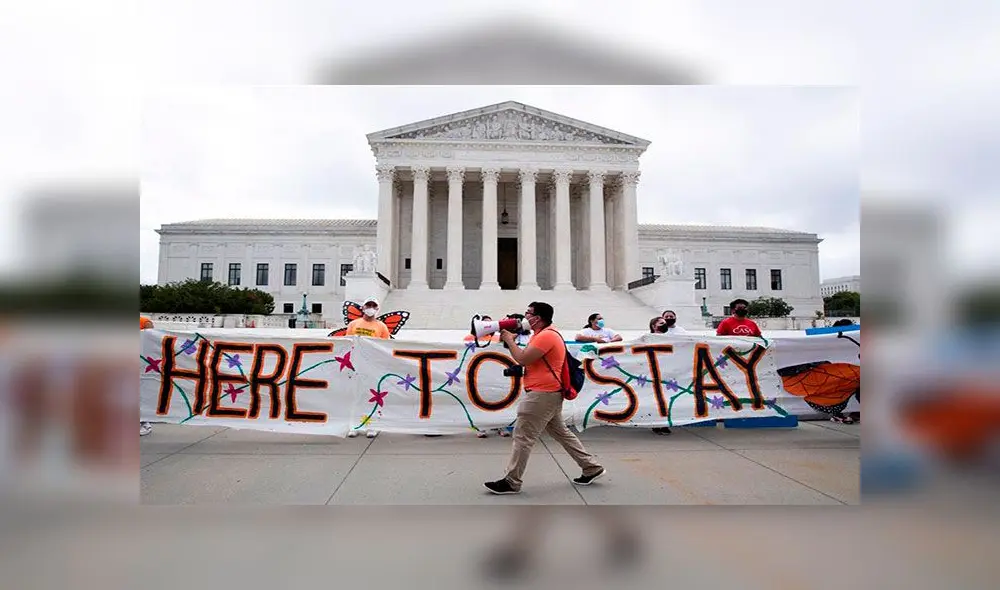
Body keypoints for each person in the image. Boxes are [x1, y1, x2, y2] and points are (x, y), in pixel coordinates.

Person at [485, 301, 606, 495]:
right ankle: (591, 467)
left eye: (529, 313)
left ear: (538, 318)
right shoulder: (544, 334)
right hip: (548, 392)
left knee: (523, 436)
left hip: (542, 393)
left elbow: (523, 358)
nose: (525, 316)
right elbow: (530, 361)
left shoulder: (546, 336)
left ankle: (512, 481)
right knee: (561, 432)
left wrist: (509, 340)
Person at [346, 296, 389, 438]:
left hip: (373, 364)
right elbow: (347, 342)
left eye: (373, 306)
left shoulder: (381, 326)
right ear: (363, 308)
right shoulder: (354, 324)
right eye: (368, 305)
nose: (370, 308)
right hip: (357, 364)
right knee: (355, 395)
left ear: (377, 309)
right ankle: (354, 425)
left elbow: (385, 346)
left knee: (372, 396)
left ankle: (371, 425)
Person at [647, 317, 673, 436]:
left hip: (667, 373)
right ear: (654, 326)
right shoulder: (647, 339)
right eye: (661, 323)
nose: (664, 324)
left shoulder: (671, 339)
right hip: (653, 373)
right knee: (656, 400)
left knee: (666, 399)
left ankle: (664, 423)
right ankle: (656, 424)